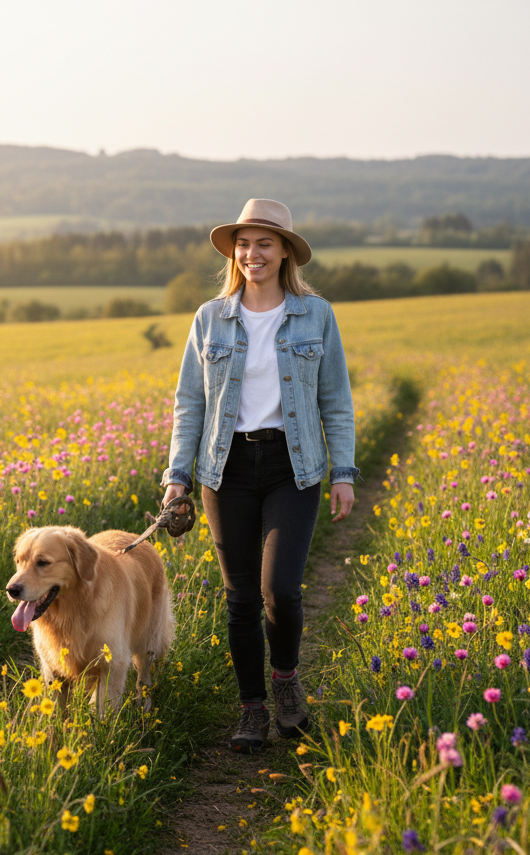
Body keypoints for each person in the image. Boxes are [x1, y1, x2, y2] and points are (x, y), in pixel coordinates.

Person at [160, 198, 358, 753]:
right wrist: (177, 476)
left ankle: (286, 680)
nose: (253, 254)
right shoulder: (210, 318)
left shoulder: (316, 315)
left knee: (280, 590)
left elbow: (336, 400)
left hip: (294, 465)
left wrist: (343, 472)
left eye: (264, 243)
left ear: (285, 252)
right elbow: (189, 404)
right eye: (244, 244)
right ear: (234, 253)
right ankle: (252, 708)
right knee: (241, 598)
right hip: (226, 469)